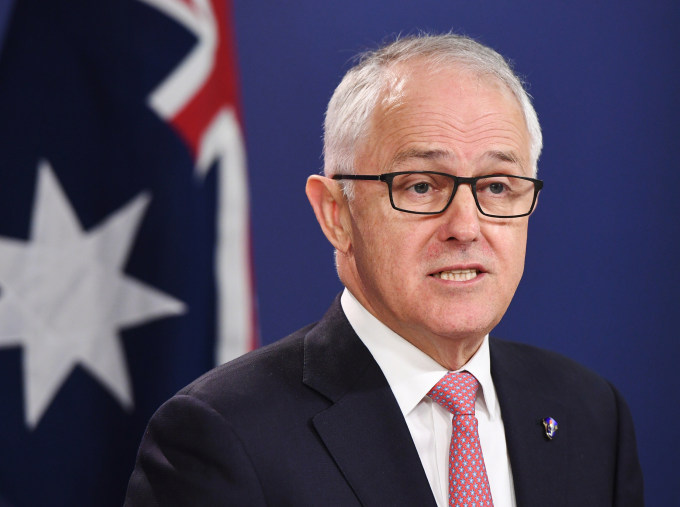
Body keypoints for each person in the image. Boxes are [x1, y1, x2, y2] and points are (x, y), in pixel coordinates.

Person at [124, 33, 643, 506]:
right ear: (337, 214)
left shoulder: (590, 413)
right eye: (421, 186)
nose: (466, 226)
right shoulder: (221, 436)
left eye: (497, 187)